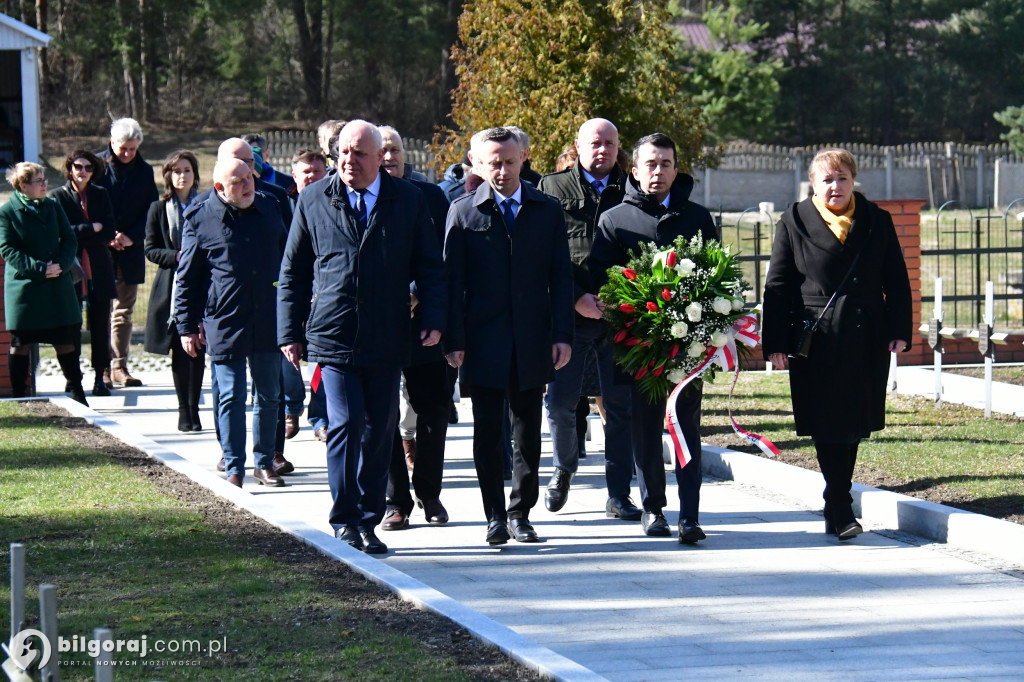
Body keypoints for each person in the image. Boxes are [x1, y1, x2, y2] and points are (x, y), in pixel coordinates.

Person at [278, 120, 446, 555]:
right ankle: (344, 518)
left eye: (359, 154)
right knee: (346, 424)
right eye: (343, 153)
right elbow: (293, 269)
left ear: (379, 158)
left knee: (380, 429)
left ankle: (369, 519)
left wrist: (433, 315)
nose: (349, 161)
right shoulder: (315, 198)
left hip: (388, 335)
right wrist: (289, 331)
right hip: (333, 333)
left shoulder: (407, 200)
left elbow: (430, 265)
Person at [763, 148, 912, 541]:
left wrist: (899, 329)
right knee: (828, 422)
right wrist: (774, 342)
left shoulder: (876, 220)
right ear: (813, 183)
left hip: (867, 335)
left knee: (855, 422)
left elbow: (895, 279)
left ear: (853, 181)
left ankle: (836, 499)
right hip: (818, 338)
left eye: (842, 178)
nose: (835, 186)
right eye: (827, 179)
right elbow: (778, 286)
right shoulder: (794, 221)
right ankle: (840, 505)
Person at [445, 127, 574, 545]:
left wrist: (562, 334)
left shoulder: (547, 210)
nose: (501, 170)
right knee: (487, 434)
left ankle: (521, 513)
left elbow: (561, 277)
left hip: (533, 340)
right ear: (479, 164)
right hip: (482, 342)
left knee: (527, 434)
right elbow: (452, 282)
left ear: (524, 158)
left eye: (509, 161)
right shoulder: (464, 212)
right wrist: (454, 339)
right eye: (492, 163)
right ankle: (494, 516)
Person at [590, 132, 719, 543]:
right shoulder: (614, 220)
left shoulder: (698, 218)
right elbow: (602, 281)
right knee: (645, 428)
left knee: (685, 426)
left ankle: (691, 516)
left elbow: (715, 280)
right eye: (650, 164)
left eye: (665, 163)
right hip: (638, 346)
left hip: (687, 345)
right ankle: (653, 508)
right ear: (635, 169)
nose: (658, 171)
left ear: (676, 169)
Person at [537, 118, 639, 520]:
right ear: (577, 147)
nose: (603, 150)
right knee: (561, 403)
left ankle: (618, 493)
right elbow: (543, 256)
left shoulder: (631, 189)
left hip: (619, 318)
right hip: (569, 317)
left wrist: (621, 299)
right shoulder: (551, 188)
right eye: (595, 143)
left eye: (610, 144)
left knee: (619, 407)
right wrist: (576, 298)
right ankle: (564, 469)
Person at [175, 158, 288, 489]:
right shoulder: (199, 218)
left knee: (269, 394)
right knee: (231, 395)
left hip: (268, 317)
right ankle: (234, 465)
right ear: (220, 188)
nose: (249, 185)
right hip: (224, 320)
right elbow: (187, 279)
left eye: (249, 178)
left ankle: (265, 462)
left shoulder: (271, 208)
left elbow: (289, 259)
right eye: (238, 182)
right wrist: (185, 325)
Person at [376, 125, 453, 531]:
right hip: (381, 324)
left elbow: (441, 260)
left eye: (395, 150)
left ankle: (430, 492)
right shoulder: (365, 200)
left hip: (425, 324)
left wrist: (425, 302)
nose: (389, 157)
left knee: (433, 412)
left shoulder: (430, 197)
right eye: (382, 150)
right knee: (384, 413)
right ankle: (396, 500)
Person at [0, 162, 87, 404]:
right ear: (23, 185)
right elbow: (8, 249)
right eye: (39, 181)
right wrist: (39, 268)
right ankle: (18, 398)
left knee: (64, 340)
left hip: (56, 283)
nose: (44, 184)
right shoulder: (7, 212)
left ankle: (77, 393)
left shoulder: (52, 206)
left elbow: (69, 238)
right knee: (21, 343)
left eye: (44, 179)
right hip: (26, 288)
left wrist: (60, 264)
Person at [144, 150, 206, 432]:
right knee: (180, 350)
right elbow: (150, 249)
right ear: (168, 175)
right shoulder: (159, 208)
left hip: (203, 284)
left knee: (199, 349)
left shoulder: (207, 204)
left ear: (195, 174)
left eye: (187, 170)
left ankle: (196, 409)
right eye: (176, 170)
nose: (182, 175)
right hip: (171, 286)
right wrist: (179, 256)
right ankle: (184, 411)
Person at [96, 117, 159, 388]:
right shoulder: (96, 166)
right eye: (123, 148)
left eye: (132, 149)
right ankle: (102, 368)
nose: (127, 154)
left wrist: (132, 236)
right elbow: (90, 203)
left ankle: (120, 365)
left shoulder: (144, 172)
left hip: (130, 250)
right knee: (101, 310)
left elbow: (151, 209)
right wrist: (109, 235)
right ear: (112, 143)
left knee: (124, 310)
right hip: (100, 249)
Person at [49, 150, 117, 397]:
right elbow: (60, 233)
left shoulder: (101, 195)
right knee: (71, 325)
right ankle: (72, 378)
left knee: (100, 326)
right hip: (72, 269)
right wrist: (91, 228)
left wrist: (79, 232)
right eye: (78, 167)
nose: (83, 172)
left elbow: (109, 231)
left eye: (88, 167)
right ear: (70, 168)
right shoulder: (57, 197)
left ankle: (100, 377)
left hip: (99, 267)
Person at [287, 149, 330, 442]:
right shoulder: (283, 205)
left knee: (321, 366)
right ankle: (291, 411)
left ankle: (320, 418)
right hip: (296, 296)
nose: (313, 176)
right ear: (295, 176)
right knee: (290, 363)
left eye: (317, 171)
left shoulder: (331, 204)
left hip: (324, 299)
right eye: (307, 172)